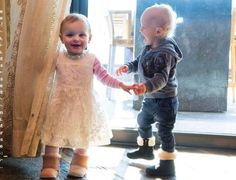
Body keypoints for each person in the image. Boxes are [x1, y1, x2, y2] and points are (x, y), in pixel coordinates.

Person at [39, 13, 133, 179]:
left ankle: (79, 163)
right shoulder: (57, 57)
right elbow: (44, 74)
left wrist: (121, 84)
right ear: (61, 38)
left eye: (82, 35)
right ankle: (50, 164)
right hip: (60, 102)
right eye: (70, 35)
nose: (76, 39)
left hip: (84, 103)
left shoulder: (91, 59)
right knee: (54, 133)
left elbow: (105, 77)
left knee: (82, 133)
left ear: (89, 38)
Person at [116, 4, 183, 177]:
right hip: (152, 98)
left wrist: (146, 86)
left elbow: (161, 78)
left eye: (143, 26)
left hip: (165, 101)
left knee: (164, 131)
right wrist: (128, 67)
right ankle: (146, 149)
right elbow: (139, 62)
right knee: (143, 121)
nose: (140, 30)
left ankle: (167, 166)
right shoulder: (150, 47)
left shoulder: (165, 52)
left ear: (158, 31)